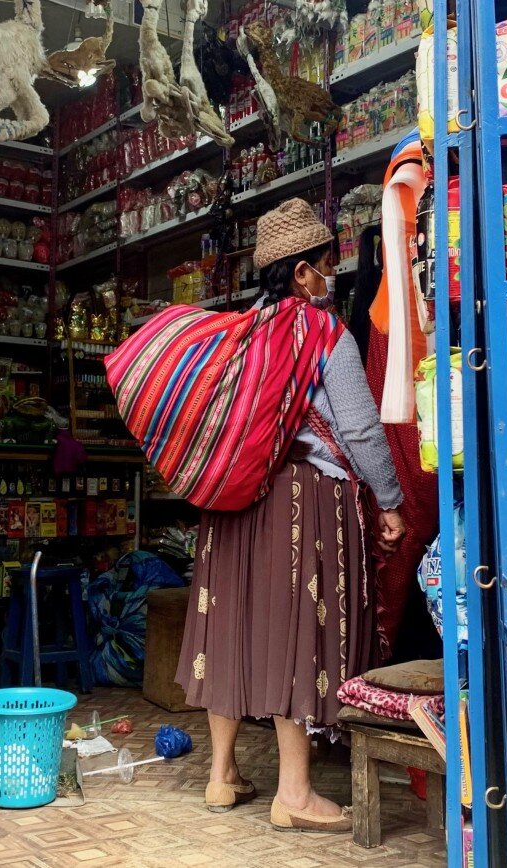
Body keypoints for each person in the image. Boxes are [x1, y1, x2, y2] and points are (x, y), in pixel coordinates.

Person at [175, 198, 406, 832]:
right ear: (302, 273)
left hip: (232, 502)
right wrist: (390, 501)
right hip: (304, 499)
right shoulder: (324, 335)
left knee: (229, 625)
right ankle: (295, 793)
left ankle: (222, 776)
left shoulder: (238, 335)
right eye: (328, 266)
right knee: (297, 629)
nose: (334, 277)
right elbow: (358, 429)